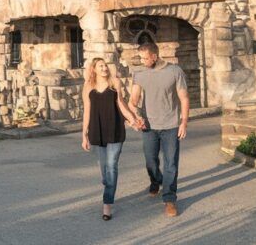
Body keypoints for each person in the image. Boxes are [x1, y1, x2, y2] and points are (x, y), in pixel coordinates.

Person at [129, 41, 189, 218]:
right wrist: (137, 115)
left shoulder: (175, 71)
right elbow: (133, 100)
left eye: (145, 58)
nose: (142, 61)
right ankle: (155, 181)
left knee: (171, 164)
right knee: (150, 161)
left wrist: (184, 122)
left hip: (171, 125)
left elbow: (184, 98)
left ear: (155, 56)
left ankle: (169, 199)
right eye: (140, 58)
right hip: (149, 126)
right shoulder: (139, 74)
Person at [81, 57, 144, 221]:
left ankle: (107, 204)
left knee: (111, 165)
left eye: (105, 65)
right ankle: (108, 184)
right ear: (94, 69)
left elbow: (121, 104)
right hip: (97, 130)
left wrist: (131, 120)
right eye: (100, 66)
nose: (104, 68)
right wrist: (84, 134)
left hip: (115, 129)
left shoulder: (115, 82)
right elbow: (87, 111)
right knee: (104, 169)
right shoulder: (88, 86)